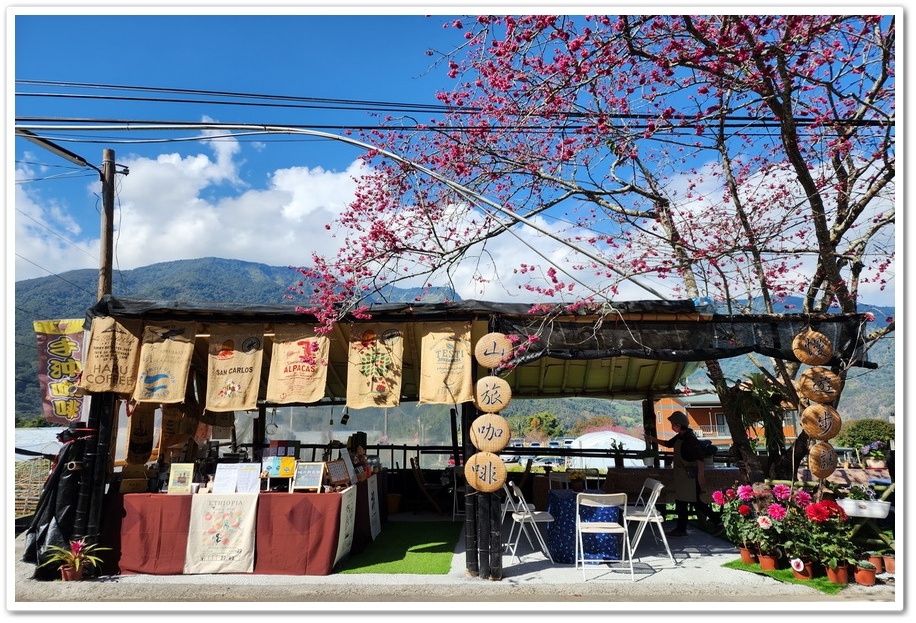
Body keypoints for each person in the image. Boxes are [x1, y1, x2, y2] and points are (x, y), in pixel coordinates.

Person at [645, 410, 723, 538]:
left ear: (679, 425)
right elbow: (668, 444)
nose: (672, 426)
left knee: (694, 502)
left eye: (673, 424)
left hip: (690, 477)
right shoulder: (680, 436)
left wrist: (701, 476)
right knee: (684, 502)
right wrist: (652, 439)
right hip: (683, 477)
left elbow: (699, 459)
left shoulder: (690, 439)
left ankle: (716, 522)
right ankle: (682, 529)